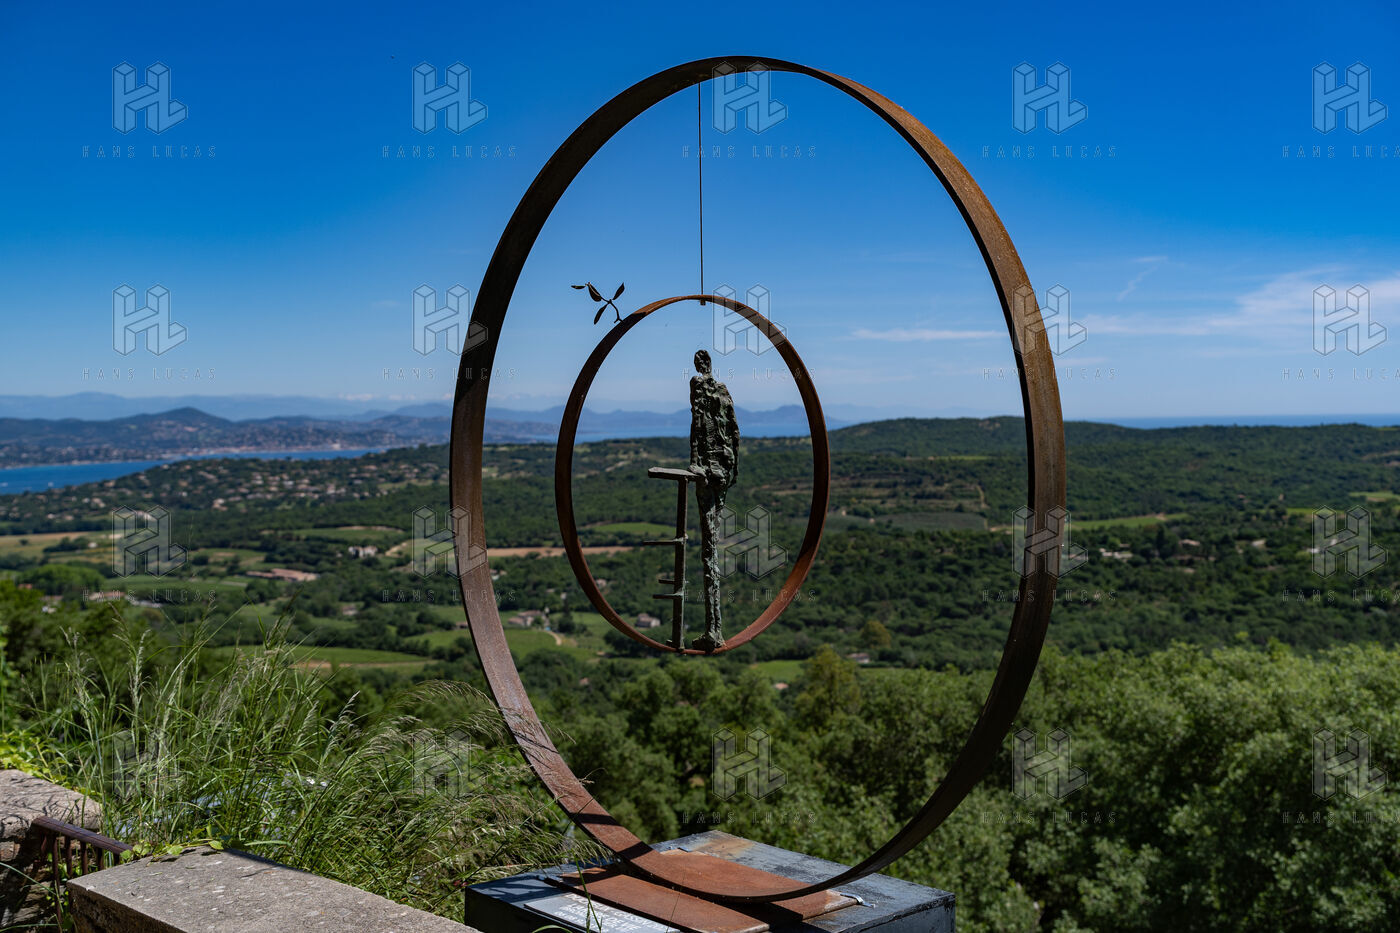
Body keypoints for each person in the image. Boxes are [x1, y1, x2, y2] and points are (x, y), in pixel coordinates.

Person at [688, 350, 739, 651]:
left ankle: (713, 630)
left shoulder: (697, 386)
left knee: (709, 550)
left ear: (699, 366)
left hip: (709, 471)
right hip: (724, 468)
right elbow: (735, 431)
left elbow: (696, 428)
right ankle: (713, 627)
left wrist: (695, 463)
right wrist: (734, 468)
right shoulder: (723, 390)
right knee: (711, 546)